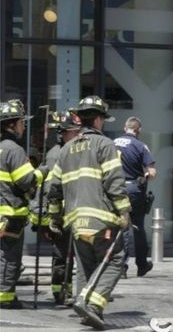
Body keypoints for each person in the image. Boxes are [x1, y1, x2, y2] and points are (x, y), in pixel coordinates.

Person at [47, 95, 131, 330]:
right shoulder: (105, 145)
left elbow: (53, 189)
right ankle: (93, 306)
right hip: (102, 220)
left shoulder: (66, 150)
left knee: (85, 266)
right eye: (102, 118)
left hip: (76, 222)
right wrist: (124, 211)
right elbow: (114, 181)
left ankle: (86, 310)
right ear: (96, 119)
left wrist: (55, 218)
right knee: (114, 261)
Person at [28, 110, 81, 305]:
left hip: (70, 213)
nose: (78, 134)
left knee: (69, 255)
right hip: (59, 215)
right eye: (74, 131)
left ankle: (65, 289)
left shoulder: (68, 151)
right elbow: (51, 190)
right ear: (64, 133)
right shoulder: (56, 155)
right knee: (61, 255)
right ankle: (60, 292)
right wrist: (53, 219)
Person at [0, 99, 48, 309]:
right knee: (10, 259)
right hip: (11, 214)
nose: (23, 126)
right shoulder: (13, 149)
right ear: (12, 124)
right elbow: (26, 181)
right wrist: (42, 171)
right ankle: (5, 298)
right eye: (22, 122)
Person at [113, 116, 156, 278]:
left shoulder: (112, 143)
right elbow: (152, 172)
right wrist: (145, 174)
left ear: (125, 128)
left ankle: (121, 267)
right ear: (138, 131)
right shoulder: (140, 146)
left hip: (115, 189)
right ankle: (142, 265)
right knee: (137, 227)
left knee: (120, 228)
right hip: (134, 190)